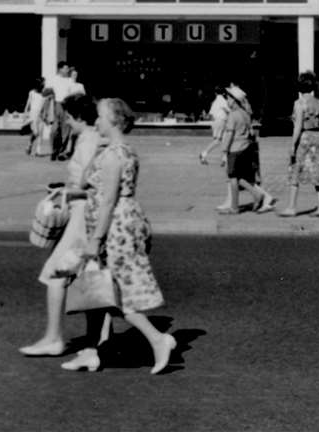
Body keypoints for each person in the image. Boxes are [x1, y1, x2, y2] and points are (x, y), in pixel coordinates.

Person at [60, 98, 177, 375]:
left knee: (114, 293)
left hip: (115, 227)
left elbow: (108, 200)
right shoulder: (120, 150)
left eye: (100, 117)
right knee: (97, 287)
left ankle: (157, 340)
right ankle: (90, 351)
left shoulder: (114, 155)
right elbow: (90, 184)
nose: (96, 121)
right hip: (123, 222)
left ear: (113, 119)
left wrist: (95, 239)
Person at [20, 92, 103, 357]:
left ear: (78, 117)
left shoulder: (88, 140)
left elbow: (92, 184)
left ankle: (54, 338)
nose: (66, 121)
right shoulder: (88, 138)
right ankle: (96, 341)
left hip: (82, 215)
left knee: (55, 273)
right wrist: (63, 187)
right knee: (89, 276)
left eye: (68, 116)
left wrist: (65, 193)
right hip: (83, 213)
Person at [216, 86, 275, 214]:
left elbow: (229, 135)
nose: (227, 101)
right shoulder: (245, 114)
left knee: (232, 178)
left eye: (229, 98)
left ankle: (234, 207)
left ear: (234, 100)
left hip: (234, 149)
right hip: (246, 148)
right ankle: (257, 194)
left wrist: (224, 152)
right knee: (240, 177)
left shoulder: (232, 115)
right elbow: (251, 132)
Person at [280, 72, 319, 218]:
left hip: (305, 137)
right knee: (318, 172)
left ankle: (292, 207)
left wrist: (292, 145)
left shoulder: (299, 103)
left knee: (295, 169)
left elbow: (298, 126)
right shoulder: (318, 102)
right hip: (318, 137)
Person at [198, 86, 230, 166]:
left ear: (215, 93)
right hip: (221, 121)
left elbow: (210, 114)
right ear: (223, 93)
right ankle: (204, 154)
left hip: (216, 121)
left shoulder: (215, 102)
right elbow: (228, 111)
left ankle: (224, 159)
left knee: (222, 140)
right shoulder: (223, 101)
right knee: (219, 141)